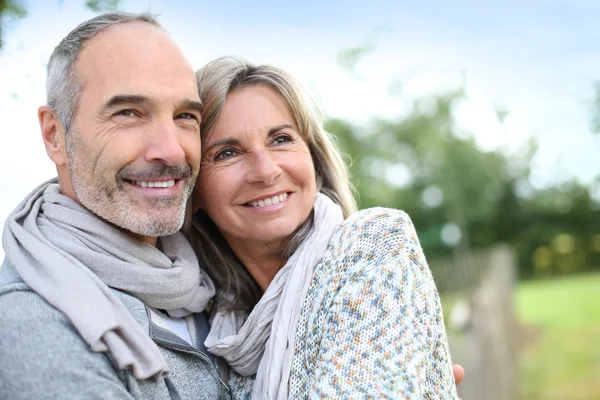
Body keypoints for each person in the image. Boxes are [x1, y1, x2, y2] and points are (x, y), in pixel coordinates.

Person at [190, 56, 459, 399]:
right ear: (193, 187)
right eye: (227, 152)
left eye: (281, 139)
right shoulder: (215, 325)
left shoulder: (373, 246)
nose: (265, 171)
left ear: (313, 160)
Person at [0, 12, 227, 399]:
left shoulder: (213, 276)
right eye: (128, 113)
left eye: (185, 116)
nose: (171, 150)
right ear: (55, 135)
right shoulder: (34, 323)